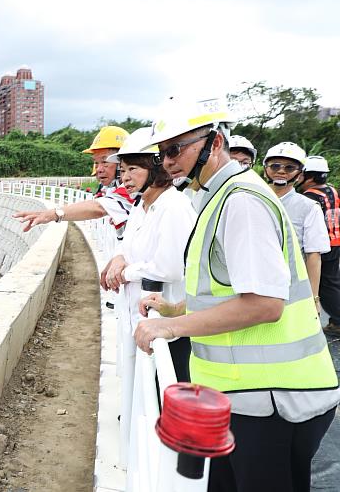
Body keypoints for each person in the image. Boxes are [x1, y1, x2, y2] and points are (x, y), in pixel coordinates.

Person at [133, 97, 339, 492]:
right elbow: (225, 289)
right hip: (245, 397)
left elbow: (264, 304)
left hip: (278, 400)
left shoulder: (241, 201)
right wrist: (175, 308)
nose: (168, 161)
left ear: (213, 143)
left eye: (175, 149)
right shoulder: (215, 197)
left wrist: (173, 326)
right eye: (162, 153)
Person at [101, 127, 195, 380]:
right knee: (139, 385)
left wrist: (125, 272)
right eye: (122, 170)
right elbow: (128, 244)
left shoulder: (173, 206)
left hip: (168, 325)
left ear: (156, 169)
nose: (125, 178)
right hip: (139, 316)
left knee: (162, 387)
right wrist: (119, 258)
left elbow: (171, 267)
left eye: (133, 169)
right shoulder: (142, 205)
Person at [14, 126, 134, 237]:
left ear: (123, 162)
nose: (99, 169)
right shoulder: (114, 189)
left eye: (105, 162)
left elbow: (98, 208)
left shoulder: (133, 191)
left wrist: (53, 214)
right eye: (96, 162)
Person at [262, 142, 329, 310]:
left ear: (300, 175)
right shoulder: (251, 200)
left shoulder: (308, 207)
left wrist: (313, 298)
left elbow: (313, 254)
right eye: (275, 165)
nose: (281, 171)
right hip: (254, 285)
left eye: (290, 167)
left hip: (290, 289)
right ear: (265, 170)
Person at [300, 155, 340, 336]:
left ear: (309, 177)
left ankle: (338, 321)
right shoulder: (332, 190)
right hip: (336, 241)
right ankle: (335, 320)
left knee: (325, 285)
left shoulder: (309, 197)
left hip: (322, 246)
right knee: (333, 281)